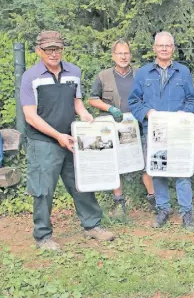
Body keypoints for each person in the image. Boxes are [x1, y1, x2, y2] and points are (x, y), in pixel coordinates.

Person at [20, 30, 114, 251]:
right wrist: (57, 136)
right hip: (43, 142)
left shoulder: (74, 72)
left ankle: (92, 225)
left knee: (82, 183)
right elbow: (30, 116)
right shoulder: (30, 77)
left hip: (72, 138)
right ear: (38, 51)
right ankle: (43, 236)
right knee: (43, 190)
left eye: (58, 48)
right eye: (48, 49)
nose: (54, 54)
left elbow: (77, 102)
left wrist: (85, 116)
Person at [128, 31, 194, 230]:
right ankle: (163, 209)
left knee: (181, 170)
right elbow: (133, 101)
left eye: (168, 46)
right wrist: (147, 112)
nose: (164, 49)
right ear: (154, 49)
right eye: (160, 45)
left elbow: (192, 99)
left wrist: (183, 116)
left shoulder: (183, 72)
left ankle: (186, 211)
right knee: (158, 170)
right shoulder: (143, 73)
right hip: (154, 130)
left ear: (173, 49)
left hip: (178, 132)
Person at [88, 39, 156, 216]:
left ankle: (154, 200)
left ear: (130, 55)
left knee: (146, 163)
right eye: (120, 53)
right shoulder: (103, 76)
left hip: (139, 127)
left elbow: (150, 97)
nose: (123, 57)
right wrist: (109, 108)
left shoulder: (140, 74)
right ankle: (119, 203)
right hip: (113, 128)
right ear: (113, 56)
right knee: (115, 165)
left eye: (126, 53)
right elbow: (92, 99)